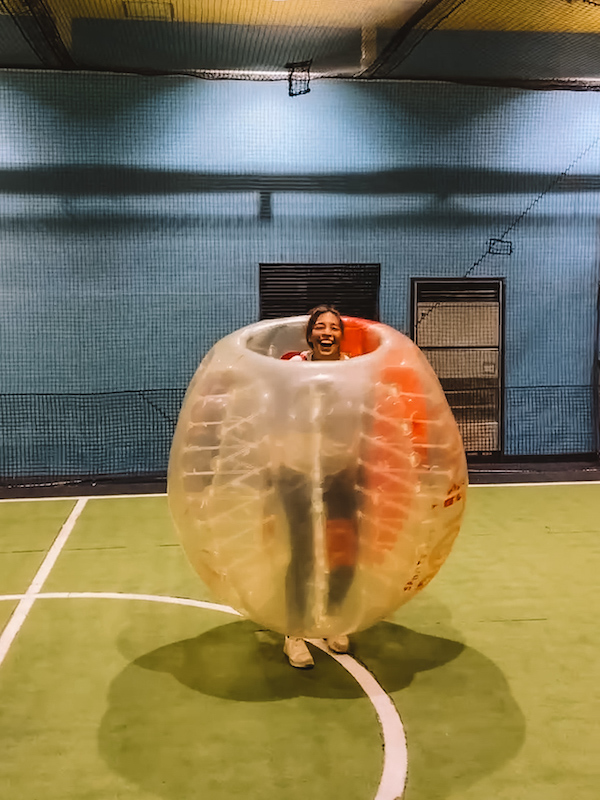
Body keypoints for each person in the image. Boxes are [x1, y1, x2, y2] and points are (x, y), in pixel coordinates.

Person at [279, 306, 358, 668]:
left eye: (334, 328)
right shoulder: (293, 363)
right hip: (297, 469)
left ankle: (334, 620)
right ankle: (293, 633)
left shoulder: (356, 367)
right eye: (320, 327)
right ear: (310, 335)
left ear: (341, 335)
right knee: (304, 552)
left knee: (344, 550)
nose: (327, 332)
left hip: (340, 470)